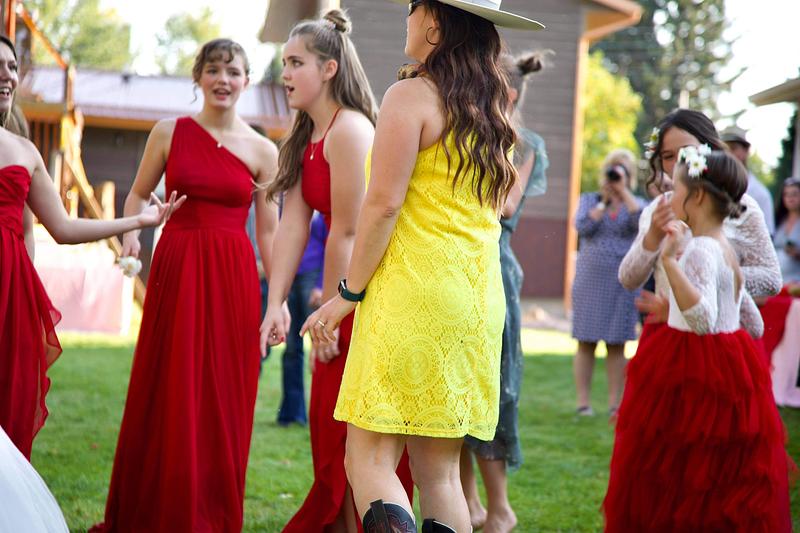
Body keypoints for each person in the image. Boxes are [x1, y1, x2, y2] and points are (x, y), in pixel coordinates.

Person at [303, 1, 544, 531]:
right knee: (441, 476)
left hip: (413, 294)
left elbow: (383, 203)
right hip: (476, 304)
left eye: (413, 6)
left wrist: (348, 293)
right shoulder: (491, 110)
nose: (406, 16)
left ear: (435, 19)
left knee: (369, 460)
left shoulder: (411, 95)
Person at [91, 38, 279, 532]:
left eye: (233, 72)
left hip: (233, 277)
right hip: (177, 268)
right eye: (213, 70)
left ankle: (210, 513)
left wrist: (277, 301)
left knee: (224, 393)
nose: (223, 80)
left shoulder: (264, 150)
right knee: (169, 383)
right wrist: (131, 235)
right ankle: (157, 507)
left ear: (246, 81)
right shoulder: (168, 132)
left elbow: (269, 233)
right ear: (198, 77)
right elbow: (137, 195)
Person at [259, 11, 412, 533]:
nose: (285, 73)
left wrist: (330, 312)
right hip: (341, 299)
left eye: (295, 63)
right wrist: (275, 302)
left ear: (329, 69)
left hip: (363, 302)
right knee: (331, 435)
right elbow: (293, 223)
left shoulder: (350, 130)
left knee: (349, 437)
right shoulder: (309, 133)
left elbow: (347, 231)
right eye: (284, 62)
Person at [0, 34, 183, 460]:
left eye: (11, 67)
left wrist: (137, 221)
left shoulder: (25, 151)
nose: (6, 75)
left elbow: (61, 227)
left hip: (9, 294)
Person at [603, 147, 791, 532]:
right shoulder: (727, 249)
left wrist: (669, 263)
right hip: (733, 365)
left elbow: (702, 319)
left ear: (698, 196)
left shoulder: (699, 251)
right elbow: (751, 322)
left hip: (693, 366)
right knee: (725, 472)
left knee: (680, 467)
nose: (668, 197)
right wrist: (677, 309)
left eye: (675, 189)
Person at [459, 50, 548, 533]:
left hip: (495, 270)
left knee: (494, 388)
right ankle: (469, 503)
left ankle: (500, 508)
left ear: (507, 94)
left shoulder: (524, 144)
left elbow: (506, 205)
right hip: (457, 268)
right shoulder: (466, 131)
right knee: (455, 386)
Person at [619, 109, 781, 340]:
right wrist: (653, 237)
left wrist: (704, 273)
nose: (678, 163)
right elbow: (628, 279)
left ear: (710, 150)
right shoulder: (658, 209)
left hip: (720, 336)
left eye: (686, 152)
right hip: (667, 333)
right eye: (667, 156)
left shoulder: (739, 206)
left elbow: (771, 277)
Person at [571, 149, 644, 418]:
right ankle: (583, 403)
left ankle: (615, 403)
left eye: (621, 170)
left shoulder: (636, 202)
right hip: (591, 279)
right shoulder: (590, 200)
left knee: (617, 343)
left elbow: (641, 223)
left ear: (629, 175)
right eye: (612, 169)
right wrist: (603, 202)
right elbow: (582, 227)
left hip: (623, 281)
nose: (615, 175)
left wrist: (623, 193)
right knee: (585, 340)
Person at [278, 211, 328, 426]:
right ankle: (292, 413)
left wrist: (322, 284)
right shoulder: (285, 203)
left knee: (319, 344)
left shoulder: (323, 207)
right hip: (289, 276)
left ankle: (321, 413)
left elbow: (333, 241)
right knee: (290, 347)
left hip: (312, 277)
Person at [722, 125, 775, 235]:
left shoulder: (760, 194)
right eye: (724, 149)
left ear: (746, 151)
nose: (728, 153)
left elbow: (768, 234)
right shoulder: (713, 185)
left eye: (733, 148)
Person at [773, 176, 800, 283]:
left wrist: (797, 254)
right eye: (786, 194)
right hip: (777, 282)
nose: (790, 198)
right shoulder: (778, 220)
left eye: (794, 194)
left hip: (796, 283)